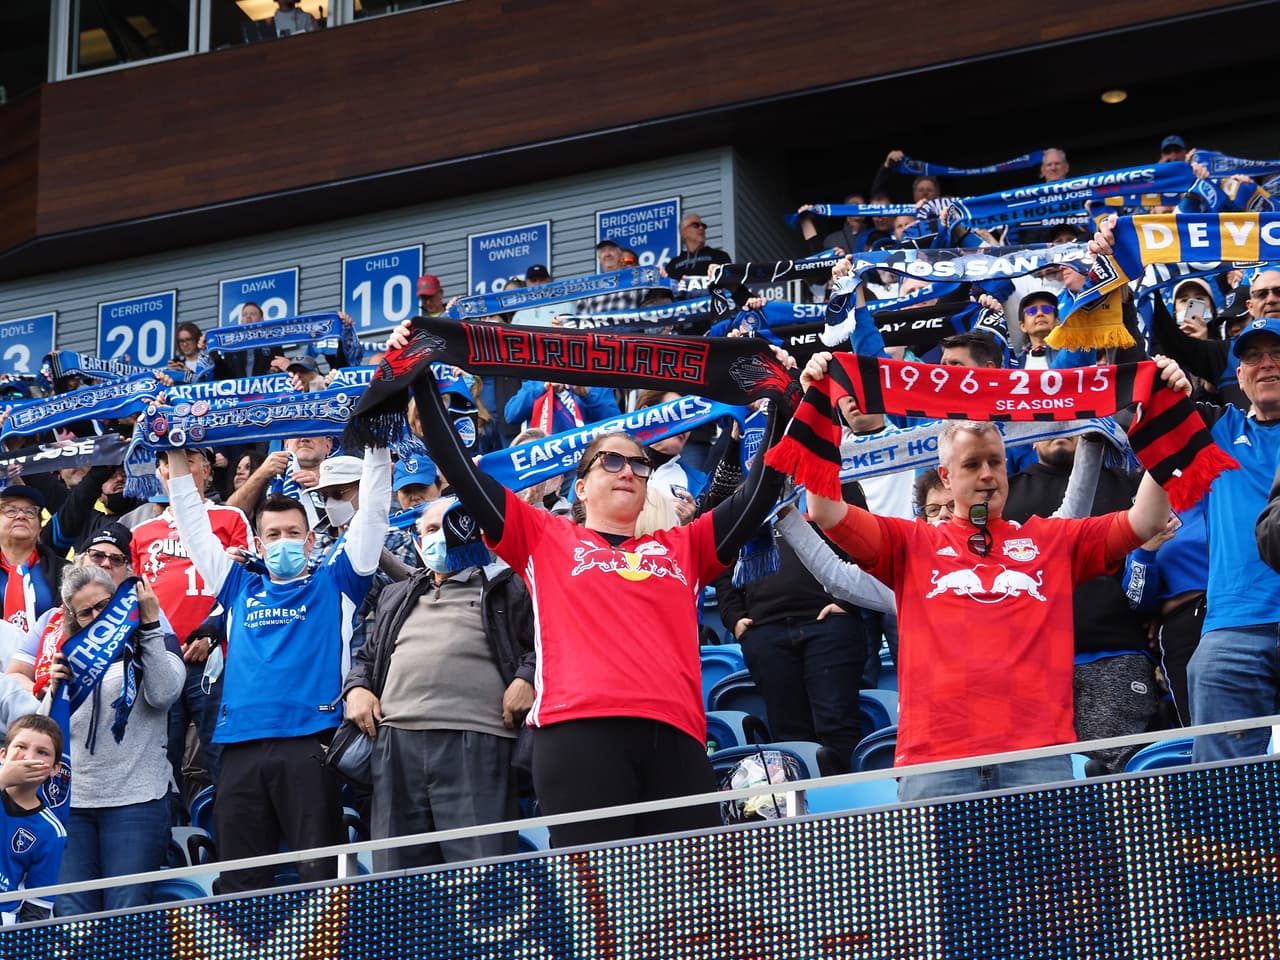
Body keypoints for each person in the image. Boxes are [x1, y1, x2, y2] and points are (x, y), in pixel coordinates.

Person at [391, 318, 796, 845]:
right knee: (598, 893)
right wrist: (420, 372)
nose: (628, 471)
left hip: (676, 734)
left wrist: (782, 399)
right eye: (612, 461)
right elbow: (461, 470)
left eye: (639, 465)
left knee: (688, 890)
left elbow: (762, 489)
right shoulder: (543, 535)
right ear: (580, 486)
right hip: (577, 733)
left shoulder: (686, 546)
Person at [792, 351, 1185, 800]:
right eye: (972, 464)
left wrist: (1162, 409)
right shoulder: (911, 543)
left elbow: (1147, 518)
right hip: (937, 761)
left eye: (996, 462)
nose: (986, 475)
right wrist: (820, 407)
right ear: (945, 476)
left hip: (1037, 757)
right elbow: (825, 510)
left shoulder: (1050, 540)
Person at [165, 443, 390, 893]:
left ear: (310, 541)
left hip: (311, 743)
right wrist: (173, 451)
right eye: (273, 534)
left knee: (319, 876)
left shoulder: (337, 581)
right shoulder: (237, 586)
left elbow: (373, 515)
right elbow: (192, 523)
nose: (283, 541)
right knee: (242, 882)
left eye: (292, 533)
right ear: (259, 543)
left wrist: (376, 444)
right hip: (238, 746)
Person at [341, 497, 536, 870]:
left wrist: (527, 677)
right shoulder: (396, 594)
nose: (439, 537)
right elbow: (366, 658)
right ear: (417, 544)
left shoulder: (508, 585)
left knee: (481, 873)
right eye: (430, 530)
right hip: (395, 743)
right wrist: (357, 689)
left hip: (477, 739)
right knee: (396, 877)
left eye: (447, 526)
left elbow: (547, 641)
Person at [54, 568, 185, 917]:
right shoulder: (71, 656)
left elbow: (163, 694)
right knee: (73, 918)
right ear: (74, 618)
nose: (98, 616)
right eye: (86, 612)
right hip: (73, 805)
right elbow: (48, 734)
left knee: (124, 915)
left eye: (104, 605)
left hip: (136, 802)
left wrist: (150, 626)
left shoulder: (158, 642)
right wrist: (53, 691)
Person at [132, 449, 252, 812]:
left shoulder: (230, 517)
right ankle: (166, 840)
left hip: (217, 659)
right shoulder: (140, 533)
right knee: (158, 761)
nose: (175, 468)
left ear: (206, 470)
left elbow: (246, 584)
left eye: (187, 459)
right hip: (159, 662)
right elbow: (132, 599)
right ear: (159, 473)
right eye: (166, 463)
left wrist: (214, 632)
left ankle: (232, 837)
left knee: (224, 756)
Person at [0, 715, 66, 925]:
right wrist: (3, 778)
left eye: (42, 752)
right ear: (3, 755)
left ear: (54, 769)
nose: (29, 757)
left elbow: (37, 908)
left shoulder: (51, 831)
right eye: (21, 747)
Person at [0, 486, 65, 635]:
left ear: (39, 528)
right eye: (11, 511)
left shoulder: (65, 571)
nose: (21, 516)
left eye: (30, 512)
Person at [664, 214, 732, 281]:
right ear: (683, 232)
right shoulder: (673, 265)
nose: (701, 228)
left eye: (703, 226)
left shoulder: (719, 256)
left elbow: (729, 281)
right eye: (695, 225)